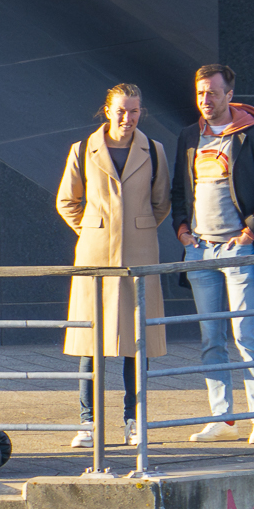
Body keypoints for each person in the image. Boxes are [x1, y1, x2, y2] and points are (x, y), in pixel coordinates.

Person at [169, 64, 254, 445]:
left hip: (239, 251)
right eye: (200, 93)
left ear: (229, 95)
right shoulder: (189, 135)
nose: (205, 99)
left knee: (245, 334)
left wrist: (250, 232)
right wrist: (182, 230)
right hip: (199, 251)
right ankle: (223, 419)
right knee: (211, 338)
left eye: (213, 92)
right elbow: (179, 190)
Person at [56, 84, 169, 449]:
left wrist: (136, 229)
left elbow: (161, 202)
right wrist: (94, 229)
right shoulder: (83, 149)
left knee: (137, 343)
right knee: (90, 343)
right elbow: (67, 200)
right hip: (96, 256)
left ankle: (134, 420)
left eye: (134, 111)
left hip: (139, 254)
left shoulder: (154, 150)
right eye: (121, 110)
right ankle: (88, 423)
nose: (127, 118)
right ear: (107, 110)